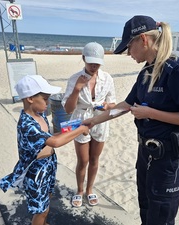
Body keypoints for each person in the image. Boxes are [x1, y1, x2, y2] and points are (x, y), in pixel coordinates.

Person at [82, 15, 179, 225]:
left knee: (161, 217)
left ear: (143, 39)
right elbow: (126, 105)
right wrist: (93, 121)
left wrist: (151, 113)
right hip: (145, 154)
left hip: (167, 158)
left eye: (129, 47)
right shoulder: (146, 71)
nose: (128, 53)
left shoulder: (177, 70)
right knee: (146, 209)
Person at [0, 75, 89, 225]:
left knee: (47, 198)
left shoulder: (40, 115)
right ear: (30, 99)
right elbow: (54, 142)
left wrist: (76, 125)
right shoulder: (27, 124)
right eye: (45, 99)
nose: (48, 103)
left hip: (48, 164)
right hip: (35, 171)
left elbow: (51, 136)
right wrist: (80, 130)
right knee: (41, 210)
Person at [61, 42, 116, 207]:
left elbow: (112, 103)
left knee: (94, 159)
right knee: (82, 160)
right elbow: (68, 109)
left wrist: (106, 106)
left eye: (97, 62)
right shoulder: (74, 78)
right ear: (83, 58)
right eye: (91, 61)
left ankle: (90, 189)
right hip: (81, 120)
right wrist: (77, 89)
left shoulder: (107, 78)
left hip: (100, 120)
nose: (94, 65)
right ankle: (79, 190)